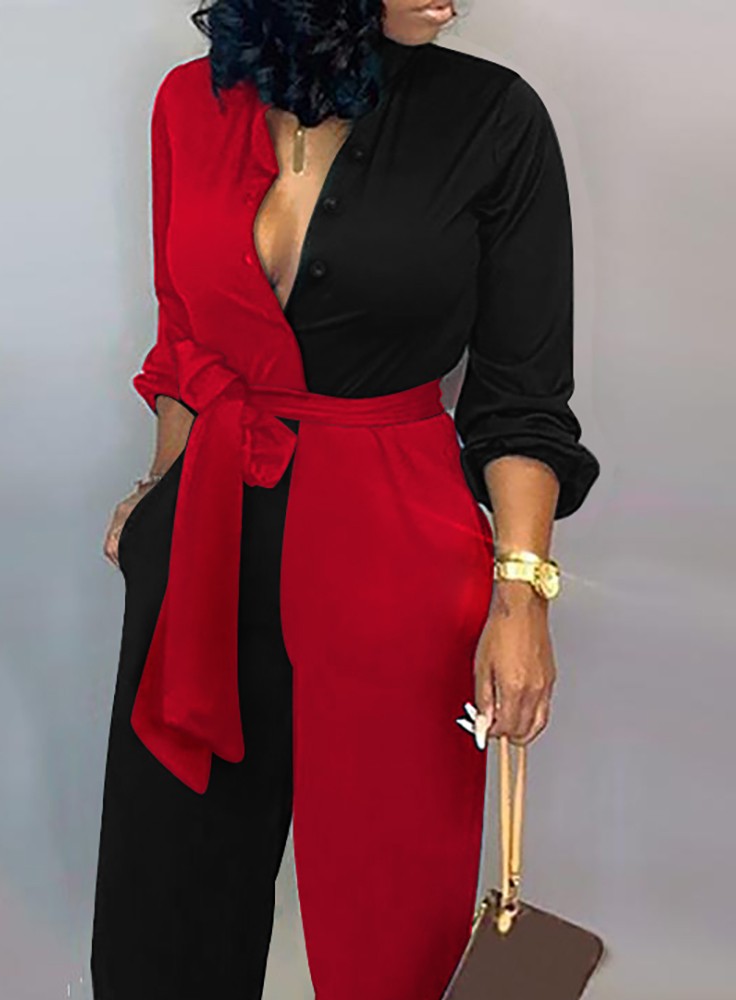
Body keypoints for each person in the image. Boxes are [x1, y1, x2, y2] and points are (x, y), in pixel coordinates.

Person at [90, 0, 600, 997]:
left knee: (390, 927)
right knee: (167, 909)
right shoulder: (188, 104)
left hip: (392, 553)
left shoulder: (493, 118)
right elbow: (183, 333)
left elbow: (521, 397)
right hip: (203, 543)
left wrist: (522, 592)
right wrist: (158, 491)